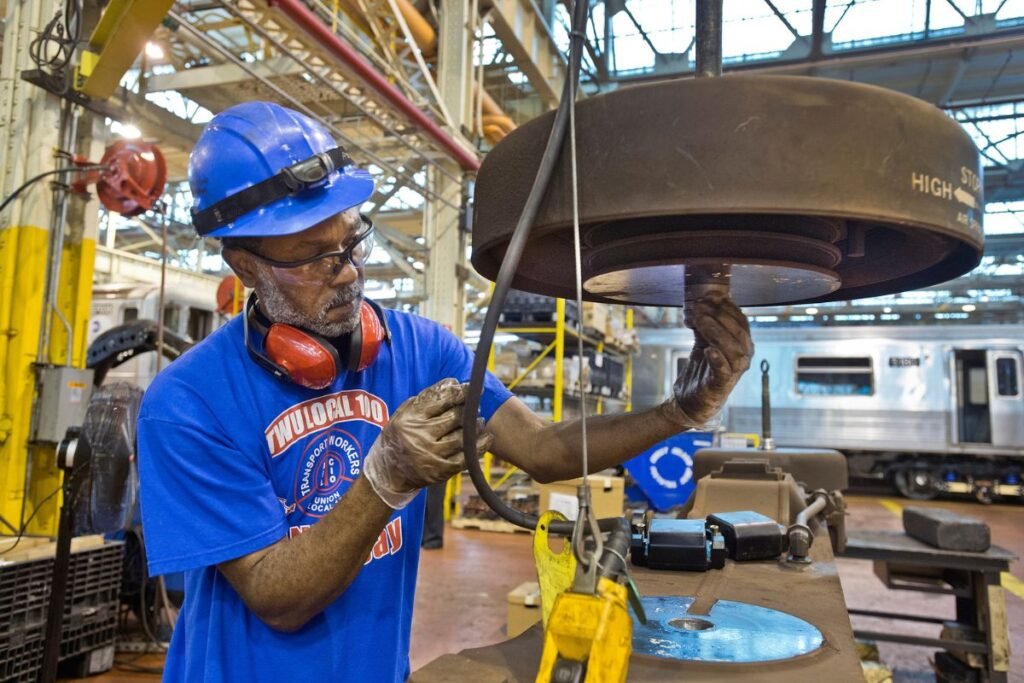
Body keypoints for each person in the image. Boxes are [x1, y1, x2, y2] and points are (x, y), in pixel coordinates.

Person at [137, 101, 753, 683]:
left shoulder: (421, 351)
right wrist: (384, 481)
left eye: (353, 242)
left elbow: (544, 452)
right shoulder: (187, 405)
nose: (348, 271)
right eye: (312, 257)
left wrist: (682, 409)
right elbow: (277, 597)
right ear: (244, 266)